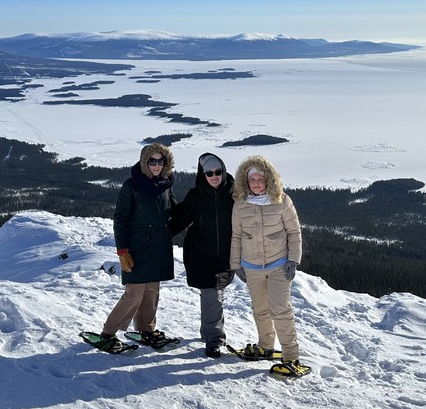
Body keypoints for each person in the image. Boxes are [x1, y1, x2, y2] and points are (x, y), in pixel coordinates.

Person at [230, 155, 308, 375]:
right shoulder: (240, 204)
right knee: (260, 310)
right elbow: (236, 236)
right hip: (252, 267)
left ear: (269, 180)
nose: (256, 183)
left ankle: (291, 357)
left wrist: (293, 259)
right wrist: (236, 264)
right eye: (252, 179)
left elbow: (294, 232)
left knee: (280, 310)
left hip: (278, 264)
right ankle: (265, 346)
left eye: (260, 178)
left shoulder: (282, 200)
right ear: (245, 182)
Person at [94, 143, 177, 351]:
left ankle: (146, 329)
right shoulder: (131, 186)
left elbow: (174, 211)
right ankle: (108, 333)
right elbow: (120, 219)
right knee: (134, 294)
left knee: (152, 292)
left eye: (160, 161)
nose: (156, 165)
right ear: (144, 162)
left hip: (158, 247)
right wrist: (122, 250)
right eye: (152, 161)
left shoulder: (165, 185)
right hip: (137, 249)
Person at [170, 152, 235, 358]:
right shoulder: (195, 196)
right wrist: (152, 238)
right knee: (211, 296)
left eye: (218, 172)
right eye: (209, 173)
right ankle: (214, 340)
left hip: (226, 258)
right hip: (200, 257)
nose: (214, 176)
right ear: (202, 175)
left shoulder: (235, 194)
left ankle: (206, 331)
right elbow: (177, 221)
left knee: (214, 297)